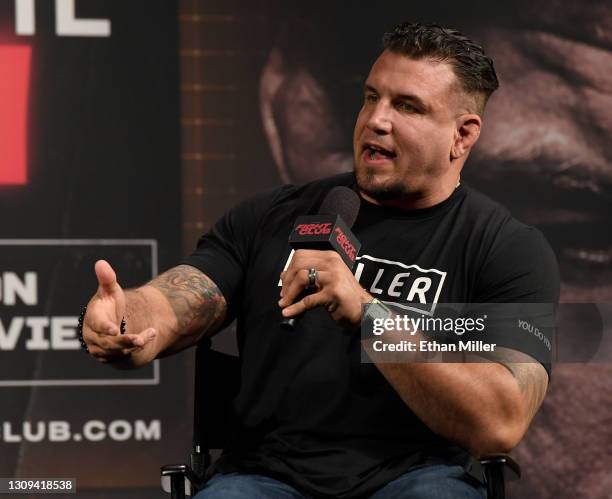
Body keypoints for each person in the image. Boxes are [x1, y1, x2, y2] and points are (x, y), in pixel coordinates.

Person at [82, 23, 558, 498]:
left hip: (417, 477)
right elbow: (182, 296)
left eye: (406, 106)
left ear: (462, 135)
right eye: (371, 97)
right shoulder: (274, 216)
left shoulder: (506, 249)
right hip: (263, 477)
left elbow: (501, 421)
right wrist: (127, 319)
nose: (376, 119)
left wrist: (370, 314)